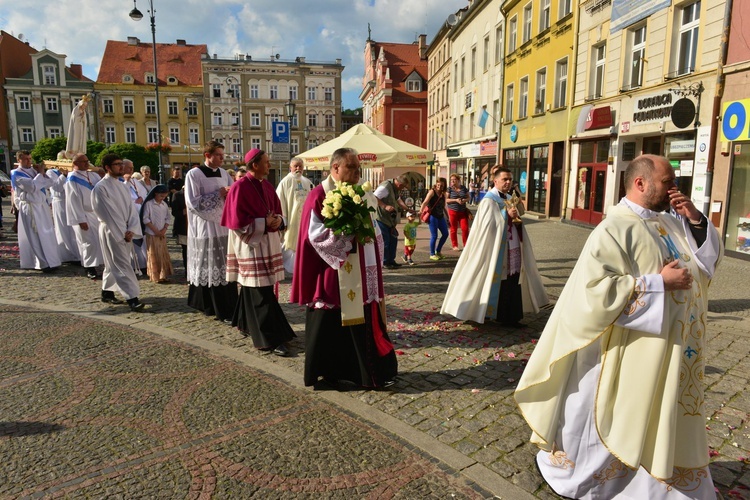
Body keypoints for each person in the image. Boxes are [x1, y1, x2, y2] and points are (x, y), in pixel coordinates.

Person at [515, 155, 722, 499]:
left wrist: (696, 220)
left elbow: (704, 264)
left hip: (667, 349)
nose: (674, 189)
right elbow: (594, 293)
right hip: (624, 352)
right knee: (618, 417)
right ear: (641, 183)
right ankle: (607, 480)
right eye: (668, 182)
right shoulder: (613, 229)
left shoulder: (668, 222)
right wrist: (658, 284)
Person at [291, 147, 397, 389]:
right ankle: (328, 373)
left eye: (358, 169)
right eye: (351, 167)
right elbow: (313, 236)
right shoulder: (318, 195)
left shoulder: (360, 193)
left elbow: (373, 227)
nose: (357, 173)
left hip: (360, 268)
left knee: (361, 322)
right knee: (329, 323)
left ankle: (363, 373)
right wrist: (345, 234)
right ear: (335, 168)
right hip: (330, 272)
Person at [441, 167, 548, 324]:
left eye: (510, 179)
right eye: (504, 179)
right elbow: (487, 227)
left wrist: (515, 217)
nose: (508, 182)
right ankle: (486, 312)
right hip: (494, 249)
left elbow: (518, 218)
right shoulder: (489, 200)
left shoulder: (511, 197)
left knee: (513, 280)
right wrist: (506, 216)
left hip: (511, 247)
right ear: (495, 180)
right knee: (493, 279)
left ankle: (511, 317)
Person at [222, 149, 295, 356]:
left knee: (256, 288)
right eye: (266, 162)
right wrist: (264, 222)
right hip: (250, 246)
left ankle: (244, 322)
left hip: (267, 242)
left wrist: (279, 221)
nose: (269, 165)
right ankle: (270, 338)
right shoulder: (239, 187)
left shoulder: (268, 186)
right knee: (259, 290)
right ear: (254, 165)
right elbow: (236, 223)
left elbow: (279, 213)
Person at [184, 140, 238, 323]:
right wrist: (218, 195)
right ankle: (211, 305)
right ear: (208, 155)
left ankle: (229, 305)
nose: (223, 159)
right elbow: (193, 203)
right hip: (205, 226)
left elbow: (233, 194)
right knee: (209, 264)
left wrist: (230, 193)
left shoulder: (224, 173)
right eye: (219, 155)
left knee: (224, 265)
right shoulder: (194, 174)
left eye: (223, 155)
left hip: (223, 224)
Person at [91, 154, 145, 311]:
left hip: (126, 230)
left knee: (112, 263)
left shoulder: (122, 186)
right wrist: (123, 232)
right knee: (121, 263)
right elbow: (108, 213)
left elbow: (131, 210)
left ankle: (107, 293)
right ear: (107, 167)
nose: (121, 167)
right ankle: (132, 298)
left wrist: (132, 229)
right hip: (112, 230)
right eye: (117, 164)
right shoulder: (101, 188)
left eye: (122, 164)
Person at [10, 151, 61, 272]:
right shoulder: (16, 173)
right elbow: (32, 187)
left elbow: (49, 183)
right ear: (19, 160)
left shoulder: (33, 171)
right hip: (30, 207)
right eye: (26, 159)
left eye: (30, 158)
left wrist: (41, 174)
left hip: (41, 205)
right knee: (35, 235)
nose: (29, 161)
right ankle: (43, 263)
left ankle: (52, 260)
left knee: (47, 234)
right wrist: (40, 174)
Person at [65, 153, 103, 280]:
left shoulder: (93, 175)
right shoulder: (72, 178)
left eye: (87, 161)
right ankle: (89, 267)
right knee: (88, 242)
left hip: (96, 213)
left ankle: (98, 264)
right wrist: (80, 219)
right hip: (83, 214)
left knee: (98, 240)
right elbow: (73, 200)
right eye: (83, 162)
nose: (87, 164)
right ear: (75, 164)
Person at [276, 156, 313, 274]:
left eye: (300, 166)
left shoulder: (307, 182)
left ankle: (302, 266)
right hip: (291, 221)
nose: (298, 168)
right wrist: (283, 221)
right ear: (290, 167)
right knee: (290, 243)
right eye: (295, 166)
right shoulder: (284, 182)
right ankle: (290, 269)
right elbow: (279, 201)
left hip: (305, 220)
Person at [46, 165, 80, 264]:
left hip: (71, 202)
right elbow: (56, 187)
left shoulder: (75, 172)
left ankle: (77, 254)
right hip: (60, 202)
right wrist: (64, 175)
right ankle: (67, 255)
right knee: (63, 229)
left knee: (74, 229)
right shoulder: (51, 172)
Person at [374, 174, 409, 269]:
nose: (402, 189)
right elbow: (374, 197)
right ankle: (385, 262)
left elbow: (398, 199)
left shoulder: (395, 188)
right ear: (399, 184)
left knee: (393, 240)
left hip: (390, 220)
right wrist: (385, 206)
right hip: (382, 219)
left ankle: (391, 260)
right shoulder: (385, 187)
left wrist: (407, 208)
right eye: (403, 187)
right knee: (386, 241)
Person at [140, 184, 173, 283]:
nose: (162, 198)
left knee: (162, 253)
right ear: (155, 194)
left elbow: (168, 217)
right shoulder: (149, 204)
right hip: (152, 233)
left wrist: (164, 229)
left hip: (162, 233)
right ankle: (156, 275)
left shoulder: (164, 205)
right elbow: (145, 219)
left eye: (164, 196)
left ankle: (163, 274)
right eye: (161, 196)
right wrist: (156, 231)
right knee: (154, 253)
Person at [122, 159, 149, 276]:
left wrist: (142, 199)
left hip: (139, 214)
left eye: (132, 168)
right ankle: (134, 266)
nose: (131, 170)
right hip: (129, 216)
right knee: (132, 242)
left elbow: (143, 193)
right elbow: (121, 199)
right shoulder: (120, 181)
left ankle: (143, 264)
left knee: (141, 241)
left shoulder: (134, 181)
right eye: (129, 168)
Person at [420, 178, 449, 261]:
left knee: (445, 234)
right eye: (438, 185)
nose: (439, 187)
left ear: (444, 186)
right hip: (432, 216)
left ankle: (438, 251)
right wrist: (421, 211)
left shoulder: (443, 194)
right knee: (434, 235)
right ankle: (432, 254)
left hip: (440, 216)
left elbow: (443, 206)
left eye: (442, 185)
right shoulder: (432, 192)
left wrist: (448, 217)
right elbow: (425, 202)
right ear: (436, 184)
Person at [446, 173, 471, 251]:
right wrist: (455, 200)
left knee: (465, 228)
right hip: (452, 211)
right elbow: (446, 200)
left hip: (462, 211)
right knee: (453, 228)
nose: (452, 181)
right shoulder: (449, 189)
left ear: (458, 180)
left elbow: (468, 197)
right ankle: (455, 245)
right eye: (451, 180)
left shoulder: (463, 188)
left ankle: (466, 245)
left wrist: (464, 200)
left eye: (454, 179)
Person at [171, 186, 188, 270]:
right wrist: (183, 212)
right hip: (183, 228)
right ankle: (187, 271)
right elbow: (174, 212)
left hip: (195, 228)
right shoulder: (177, 195)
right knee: (186, 250)